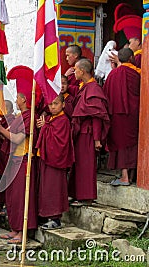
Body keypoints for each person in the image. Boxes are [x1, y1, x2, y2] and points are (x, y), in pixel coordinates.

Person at [0, 65, 38, 244]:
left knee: (21, 197)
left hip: (24, 161)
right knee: (13, 196)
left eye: (19, 96)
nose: (17, 98)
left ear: (23, 99)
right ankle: (14, 229)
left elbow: (18, 138)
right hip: (15, 161)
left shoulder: (29, 117)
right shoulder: (20, 116)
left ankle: (22, 232)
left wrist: (0, 129)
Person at [69, 59, 109, 206]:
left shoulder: (94, 89)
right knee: (79, 164)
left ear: (83, 71)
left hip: (89, 134)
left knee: (86, 165)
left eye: (75, 69)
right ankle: (77, 194)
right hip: (81, 133)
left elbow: (97, 117)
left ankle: (87, 197)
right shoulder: (85, 87)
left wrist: (97, 139)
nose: (74, 72)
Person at [36, 94, 74, 229]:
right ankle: (46, 215)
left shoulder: (64, 120)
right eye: (50, 104)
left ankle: (56, 218)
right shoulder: (50, 119)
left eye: (56, 104)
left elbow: (61, 143)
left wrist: (45, 127)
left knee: (54, 189)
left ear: (63, 105)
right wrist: (44, 126)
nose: (52, 107)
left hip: (56, 161)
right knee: (45, 189)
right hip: (46, 159)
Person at [103, 48, 140, 186]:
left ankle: (124, 176)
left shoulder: (113, 75)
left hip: (115, 115)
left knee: (120, 143)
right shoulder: (137, 73)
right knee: (131, 143)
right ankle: (128, 176)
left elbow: (105, 94)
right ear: (131, 58)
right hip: (132, 115)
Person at [0, 100, 15, 215]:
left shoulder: (12, 120)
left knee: (8, 180)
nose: (5, 111)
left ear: (12, 110)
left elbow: (10, 138)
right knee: (1, 179)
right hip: (1, 156)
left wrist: (0, 131)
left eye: (7, 108)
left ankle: (7, 205)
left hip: (8, 155)